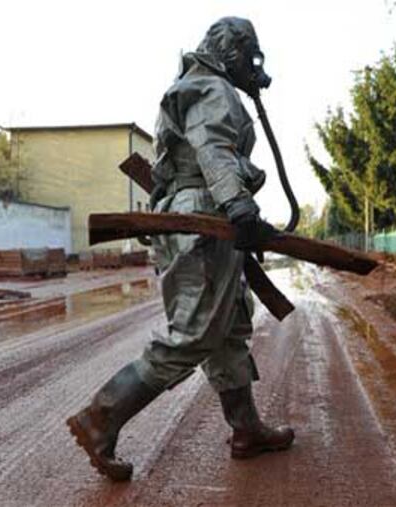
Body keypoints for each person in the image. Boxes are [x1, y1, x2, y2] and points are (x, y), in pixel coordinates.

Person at [67, 17, 294, 482]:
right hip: (206, 215)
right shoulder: (211, 88)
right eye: (249, 54)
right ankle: (100, 418)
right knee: (194, 334)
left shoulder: (202, 84)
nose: (254, 66)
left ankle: (246, 430)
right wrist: (237, 203)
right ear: (231, 51)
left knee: (228, 326)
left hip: (207, 212)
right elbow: (213, 147)